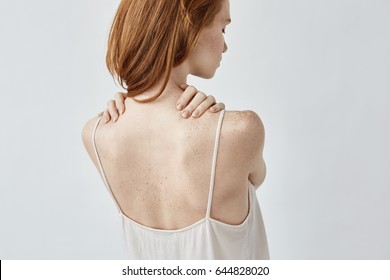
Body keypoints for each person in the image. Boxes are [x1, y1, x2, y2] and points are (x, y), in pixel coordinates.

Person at [82, 0, 269, 259]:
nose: (225, 46)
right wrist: (221, 124)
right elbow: (257, 177)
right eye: (223, 29)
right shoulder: (240, 132)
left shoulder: (96, 135)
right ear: (189, 25)